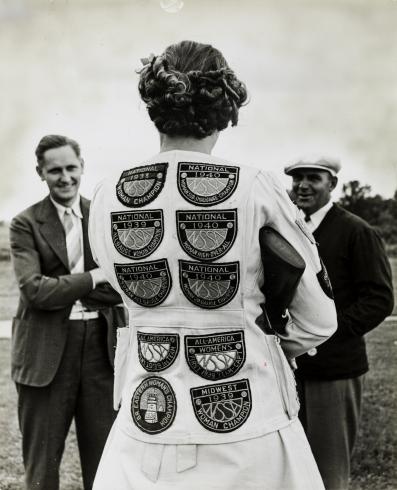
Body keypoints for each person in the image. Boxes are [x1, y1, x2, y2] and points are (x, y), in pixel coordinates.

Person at [89, 41, 337, 490]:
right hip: (250, 427)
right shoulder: (257, 187)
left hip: (146, 421)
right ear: (225, 107)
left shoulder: (108, 194)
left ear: (154, 106)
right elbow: (318, 321)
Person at [9, 135, 126, 490]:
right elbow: (35, 291)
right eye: (55, 170)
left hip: (100, 352)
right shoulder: (25, 223)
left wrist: (70, 286)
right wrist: (94, 276)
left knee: (105, 463)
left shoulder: (104, 217)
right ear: (40, 173)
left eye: (71, 168)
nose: (65, 177)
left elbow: (121, 284)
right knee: (42, 468)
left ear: (82, 167)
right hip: (45, 356)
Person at [284, 156, 394, 490]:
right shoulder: (286, 226)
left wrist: (328, 331)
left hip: (334, 368)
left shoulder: (357, 231)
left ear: (332, 184)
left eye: (313, 178)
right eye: (297, 178)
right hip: (288, 369)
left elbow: (379, 299)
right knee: (292, 466)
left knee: (329, 473)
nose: (302, 185)